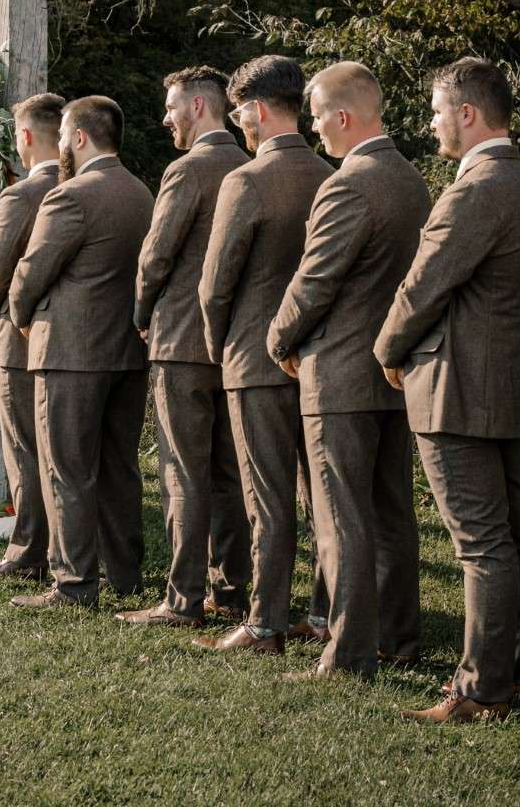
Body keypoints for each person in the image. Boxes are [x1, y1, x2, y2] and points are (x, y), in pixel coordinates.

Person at [374, 58, 520, 723]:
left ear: (468, 114)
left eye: (435, 108)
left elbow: (423, 283)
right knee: (513, 535)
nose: (430, 121)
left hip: (456, 384)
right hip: (498, 380)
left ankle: (481, 689)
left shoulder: (476, 188)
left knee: (481, 543)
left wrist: (387, 350)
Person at [267, 61, 429, 680]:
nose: (314, 130)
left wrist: (277, 338)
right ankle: (398, 636)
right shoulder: (412, 179)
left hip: (337, 371)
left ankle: (348, 651)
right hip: (390, 372)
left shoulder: (347, 185)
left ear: (342, 116)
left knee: (340, 518)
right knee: (390, 513)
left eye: (316, 118)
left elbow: (314, 281)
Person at [194, 55, 333, 653]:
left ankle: (265, 621)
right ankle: (325, 615)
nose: (237, 124)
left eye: (238, 112)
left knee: (267, 499)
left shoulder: (246, 181)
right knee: (321, 498)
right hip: (321, 359)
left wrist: (216, 350)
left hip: (253, 358)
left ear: (255, 109)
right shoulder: (333, 174)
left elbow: (214, 285)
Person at [6, 95, 155, 610]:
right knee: (120, 468)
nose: (63, 141)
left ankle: (73, 583)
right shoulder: (141, 193)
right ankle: (125, 574)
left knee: (66, 468)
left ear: (80, 137)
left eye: (67, 133)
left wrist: (21, 315)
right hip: (125, 354)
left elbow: (31, 271)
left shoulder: (69, 196)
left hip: (70, 352)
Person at [121, 67, 251, 628]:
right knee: (229, 472)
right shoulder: (251, 165)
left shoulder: (188, 170)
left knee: (182, 471)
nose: (166, 117)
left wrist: (142, 313)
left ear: (200, 107)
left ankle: (182, 599)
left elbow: (155, 257)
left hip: (181, 339)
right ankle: (234, 589)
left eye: (172, 107)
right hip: (237, 343)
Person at [0, 92, 65, 581]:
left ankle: (28, 551)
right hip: (74, 341)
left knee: (25, 448)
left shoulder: (22, 195)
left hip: (20, 338)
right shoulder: (86, 183)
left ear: (24, 136)